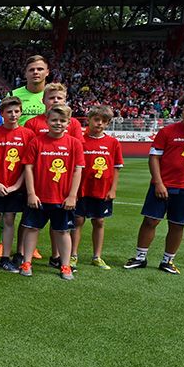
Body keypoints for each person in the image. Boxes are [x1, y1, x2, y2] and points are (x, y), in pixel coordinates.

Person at [124, 91, 184, 274]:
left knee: (177, 224)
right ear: (182, 109)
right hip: (163, 184)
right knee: (151, 221)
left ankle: (167, 261)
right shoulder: (167, 131)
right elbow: (154, 158)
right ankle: (139, 257)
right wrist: (159, 183)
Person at [20, 105, 85, 280]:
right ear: (47, 121)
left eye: (62, 121)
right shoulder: (37, 142)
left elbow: (77, 171)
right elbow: (28, 168)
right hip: (39, 197)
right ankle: (26, 262)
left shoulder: (74, 143)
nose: (58, 123)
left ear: (68, 123)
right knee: (32, 229)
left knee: (63, 231)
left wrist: (72, 195)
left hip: (63, 198)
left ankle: (65, 266)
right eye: (54, 120)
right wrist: (31, 193)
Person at [0, 96, 32, 273]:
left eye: (16, 111)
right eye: (9, 112)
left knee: (10, 219)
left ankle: (5, 257)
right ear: (2, 113)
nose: (13, 115)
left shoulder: (28, 135)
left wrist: (17, 186)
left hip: (15, 186)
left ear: (20, 112)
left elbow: (28, 165)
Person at [73, 105, 122, 270]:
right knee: (78, 220)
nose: (99, 123)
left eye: (104, 121)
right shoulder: (79, 140)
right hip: (82, 188)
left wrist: (113, 189)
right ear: (89, 120)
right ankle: (73, 255)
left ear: (108, 124)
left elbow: (116, 167)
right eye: (96, 119)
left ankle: (97, 256)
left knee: (99, 221)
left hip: (102, 189)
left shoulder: (113, 142)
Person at [9, 55, 49, 126]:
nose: (35, 72)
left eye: (40, 69)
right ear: (25, 73)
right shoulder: (12, 95)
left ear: (47, 72)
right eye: (31, 70)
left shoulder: (53, 96)